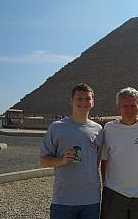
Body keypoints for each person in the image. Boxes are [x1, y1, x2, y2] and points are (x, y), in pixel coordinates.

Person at [39, 83, 102, 219]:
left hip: (91, 199)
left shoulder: (99, 130)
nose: (83, 102)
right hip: (64, 199)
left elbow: (97, 162)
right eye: (79, 99)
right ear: (71, 101)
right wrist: (61, 160)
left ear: (92, 102)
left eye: (87, 99)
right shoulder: (56, 128)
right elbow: (44, 160)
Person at [100, 87, 138, 219]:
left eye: (133, 106)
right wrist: (107, 187)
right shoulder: (109, 129)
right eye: (125, 106)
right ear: (118, 108)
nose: (129, 110)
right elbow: (104, 161)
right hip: (114, 193)